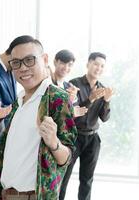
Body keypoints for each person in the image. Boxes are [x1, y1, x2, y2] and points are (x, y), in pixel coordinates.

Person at [0, 35, 78, 200]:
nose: (23, 68)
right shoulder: (19, 101)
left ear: (45, 59)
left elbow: (66, 158)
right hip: (5, 194)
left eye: (29, 60)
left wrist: (53, 142)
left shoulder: (56, 98)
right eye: (16, 63)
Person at [59, 52, 113, 200]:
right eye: (96, 64)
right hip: (74, 137)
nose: (98, 68)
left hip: (92, 139)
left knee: (87, 180)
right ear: (88, 64)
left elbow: (104, 118)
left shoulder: (102, 88)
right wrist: (90, 99)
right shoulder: (73, 84)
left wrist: (106, 101)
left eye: (102, 66)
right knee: (64, 177)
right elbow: (71, 112)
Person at [52, 49, 88, 117]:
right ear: (55, 62)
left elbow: (73, 114)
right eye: (62, 63)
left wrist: (72, 99)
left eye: (69, 65)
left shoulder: (69, 87)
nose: (66, 67)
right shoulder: (47, 82)